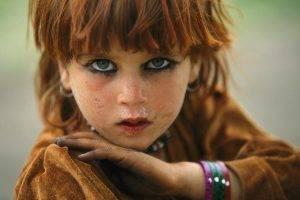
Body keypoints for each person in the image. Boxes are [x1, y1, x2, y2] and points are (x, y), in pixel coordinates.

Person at [14, 0, 299, 199]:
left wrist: (182, 180)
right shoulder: (54, 173)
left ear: (195, 62)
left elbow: (290, 175)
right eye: (102, 65)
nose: (132, 97)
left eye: (158, 63)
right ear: (64, 68)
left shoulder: (199, 110)